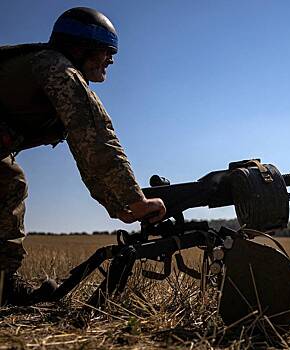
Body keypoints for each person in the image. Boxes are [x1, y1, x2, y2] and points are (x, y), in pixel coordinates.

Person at [0, 7, 166, 305]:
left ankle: (2, 284)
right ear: (81, 48)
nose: (111, 60)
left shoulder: (51, 70)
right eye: (106, 51)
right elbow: (96, 136)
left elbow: (84, 149)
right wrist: (134, 199)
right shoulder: (57, 70)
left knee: (10, 180)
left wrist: (117, 205)